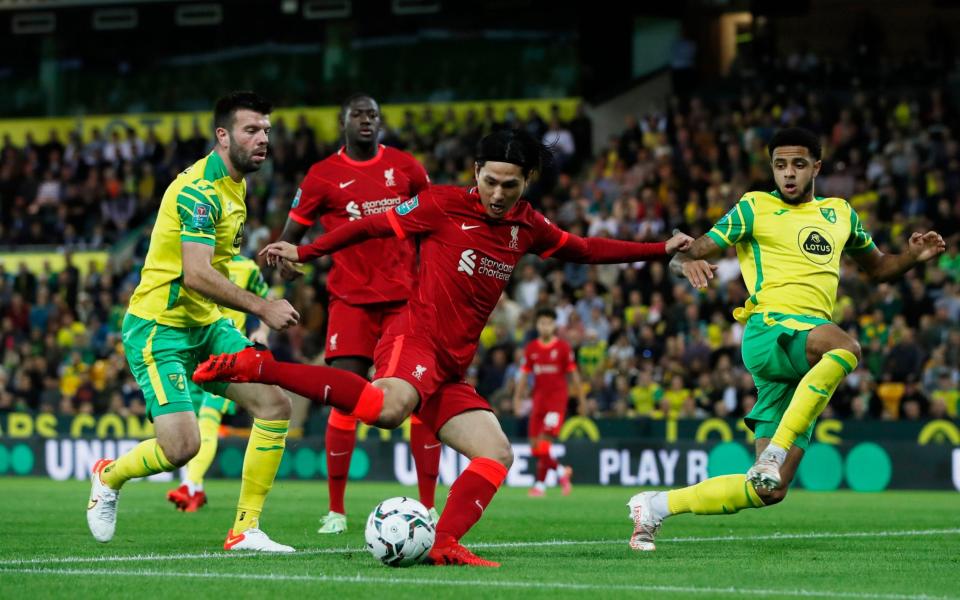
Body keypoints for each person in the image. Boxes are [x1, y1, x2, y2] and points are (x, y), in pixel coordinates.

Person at [193, 128, 693, 566]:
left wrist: (658, 249)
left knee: (496, 452)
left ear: (527, 182)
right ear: (476, 171)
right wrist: (305, 249)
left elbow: (585, 250)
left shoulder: (527, 227)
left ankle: (443, 542)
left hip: (451, 365)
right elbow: (370, 225)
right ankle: (264, 366)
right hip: (415, 338)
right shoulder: (441, 204)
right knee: (386, 410)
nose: (497, 193)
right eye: (489, 180)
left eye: (509, 184)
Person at [625, 127, 945, 551]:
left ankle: (654, 507)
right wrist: (683, 264)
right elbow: (692, 249)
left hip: (804, 358)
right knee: (846, 347)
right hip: (771, 331)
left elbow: (879, 268)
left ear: (817, 166)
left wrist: (913, 258)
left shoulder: (840, 213)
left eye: (797, 164)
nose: (788, 174)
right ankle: (775, 452)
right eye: (780, 165)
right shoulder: (754, 207)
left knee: (768, 490)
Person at [86, 91, 301, 553]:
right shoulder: (198, 191)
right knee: (182, 447)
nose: (263, 138)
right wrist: (262, 307)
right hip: (158, 328)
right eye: (251, 130)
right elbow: (197, 273)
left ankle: (244, 529)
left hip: (205, 325)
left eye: (266, 130)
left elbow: (216, 261)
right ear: (222, 136)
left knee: (274, 405)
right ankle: (108, 476)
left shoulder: (236, 185)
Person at [276, 93, 442, 532]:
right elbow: (290, 237)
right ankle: (336, 510)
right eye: (358, 114)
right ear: (342, 123)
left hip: (404, 301)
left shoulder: (407, 167)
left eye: (373, 114)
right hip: (349, 302)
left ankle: (428, 506)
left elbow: (435, 220)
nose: (366, 120)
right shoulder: (322, 176)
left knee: (417, 398)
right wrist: (286, 264)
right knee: (345, 400)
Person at [166, 254, 272, 512]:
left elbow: (268, 299)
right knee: (189, 421)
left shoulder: (247, 268)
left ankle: (189, 484)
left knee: (208, 417)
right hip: (194, 353)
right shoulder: (195, 262)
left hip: (229, 357)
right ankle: (197, 487)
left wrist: (263, 331)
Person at [513, 307, 585, 497]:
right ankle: (562, 472)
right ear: (537, 325)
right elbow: (523, 376)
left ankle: (540, 486)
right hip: (538, 403)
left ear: (554, 325)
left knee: (544, 443)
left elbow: (574, 376)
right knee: (535, 447)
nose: (545, 327)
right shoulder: (531, 349)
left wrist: (581, 399)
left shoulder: (562, 348)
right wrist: (517, 399)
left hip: (556, 404)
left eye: (548, 323)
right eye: (542, 323)